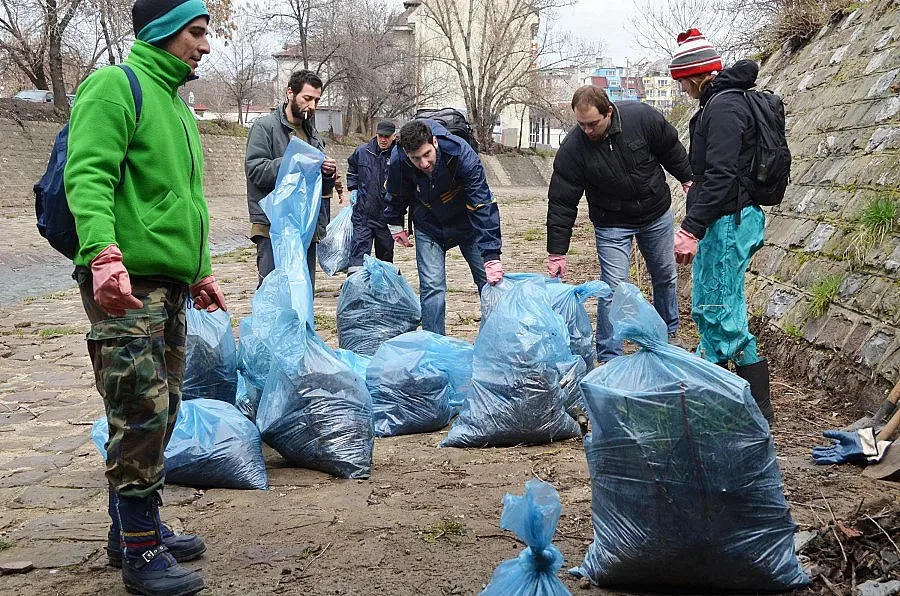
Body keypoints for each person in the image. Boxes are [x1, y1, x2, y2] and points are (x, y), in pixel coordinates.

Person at [65, 0, 226, 593]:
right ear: (162, 30)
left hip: (170, 285)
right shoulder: (116, 87)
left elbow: (186, 201)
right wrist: (103, 255)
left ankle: (134, 530)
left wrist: (201, 270)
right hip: (125, 285)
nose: (205, 46)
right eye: (197, 32)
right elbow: (89, 175)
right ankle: (139, 556)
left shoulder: (177, 107)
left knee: (163, 408)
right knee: (140, 408)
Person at [670, 28, 774, 422]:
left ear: (695, 76)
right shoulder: (722, 104)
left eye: (681, 82)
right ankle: (750, 408)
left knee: (714, 308)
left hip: (728, 220)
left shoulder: (725, 108)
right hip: (727, 217)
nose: (681, 90)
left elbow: (722, 176)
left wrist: (692, 228)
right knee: (723, 307)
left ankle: (722, 407)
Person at [546, 85, 693, 363]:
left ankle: (668, 334)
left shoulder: (641, 118)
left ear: (609, 113)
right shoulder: (574, 149)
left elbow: (670, 148)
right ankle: (610, 354)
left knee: (665, 275)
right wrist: (556, 252)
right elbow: (562, 202)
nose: (587, 131)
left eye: (592, 124)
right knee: (612, 288)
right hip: (611, 223)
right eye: (581, 124)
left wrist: (687, 178)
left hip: (655, 213)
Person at [384, 119, 503, 335]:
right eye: (415, 158)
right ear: (406, 153)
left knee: (489, 281)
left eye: (427, 154)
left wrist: (492, 254)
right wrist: (395, 223)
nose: (423, 164)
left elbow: (482, 203)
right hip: (428, 224)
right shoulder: (399, 159)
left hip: (468, 223)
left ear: (435, 142)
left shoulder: (461, 155)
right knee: (432, 288)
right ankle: (434, 344)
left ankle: (493, 340)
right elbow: (395, 191)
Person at [246, 69, 337, 290]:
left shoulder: (314, 136)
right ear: (290, 93)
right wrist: (294, 161)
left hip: (305, 229)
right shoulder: (265, 127)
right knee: (274, 297)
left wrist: (327, 175)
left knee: (302, 296)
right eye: (307, 98)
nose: (312, 106)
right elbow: (256, 171)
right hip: (271, 227)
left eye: (316, 100)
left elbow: (318, 188)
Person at [346, 119, 397, 271]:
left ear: (394, 136)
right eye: (380, 135)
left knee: (386, 256)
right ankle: (356, 286)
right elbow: (352, 170)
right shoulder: (362, 151)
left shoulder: (398, 155)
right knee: (358, 255)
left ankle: (383, 286)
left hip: (386, 216)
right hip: (363, 214)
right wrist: (353, 188)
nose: (383, 139)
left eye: (387, 136)